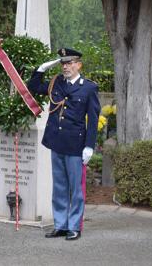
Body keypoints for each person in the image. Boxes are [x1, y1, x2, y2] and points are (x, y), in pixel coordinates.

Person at [27, 48, 101, 241]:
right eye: (63, 63)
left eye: (70, 63)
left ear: (79, 65)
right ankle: (60, 224)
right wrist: (41, 68)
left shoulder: (88, 88)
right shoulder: (56, 83)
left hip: (76, 144)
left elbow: (93, 120)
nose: (66, 67)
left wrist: (89, 146)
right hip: (57, 143)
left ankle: (74, 226)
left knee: (75, 188)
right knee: (59, 186)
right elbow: (33, 86)